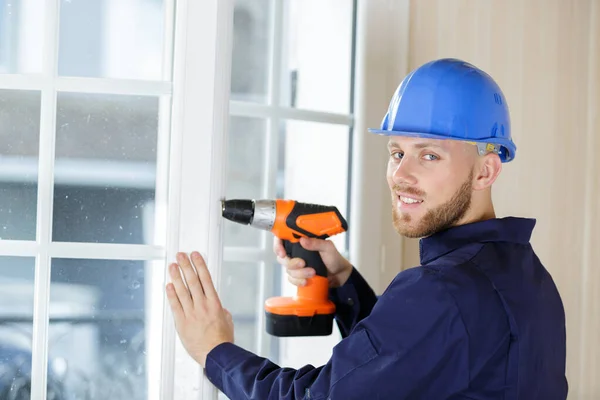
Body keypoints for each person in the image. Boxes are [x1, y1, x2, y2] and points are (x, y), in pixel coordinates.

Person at [165, 58, 568, 399]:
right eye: (397, 152)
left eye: (429, 155)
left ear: (486, 170)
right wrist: (343, 280)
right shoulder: (528, 276)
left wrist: (214, 350)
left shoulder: (442, 292)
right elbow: (409, 360)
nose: (401, 175)